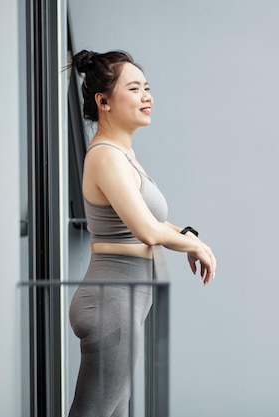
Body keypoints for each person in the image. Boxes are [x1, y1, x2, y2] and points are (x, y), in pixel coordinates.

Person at [67, 49, 216, 417]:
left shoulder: (122, 154)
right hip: (110, 305)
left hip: (124, 302)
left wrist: (188, 237)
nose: (147, 97)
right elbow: (147, 230)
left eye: (147, 88)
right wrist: (193, 244)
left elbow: (153, 221)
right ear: (103, 101)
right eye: (134, 89)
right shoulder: (104, 156)